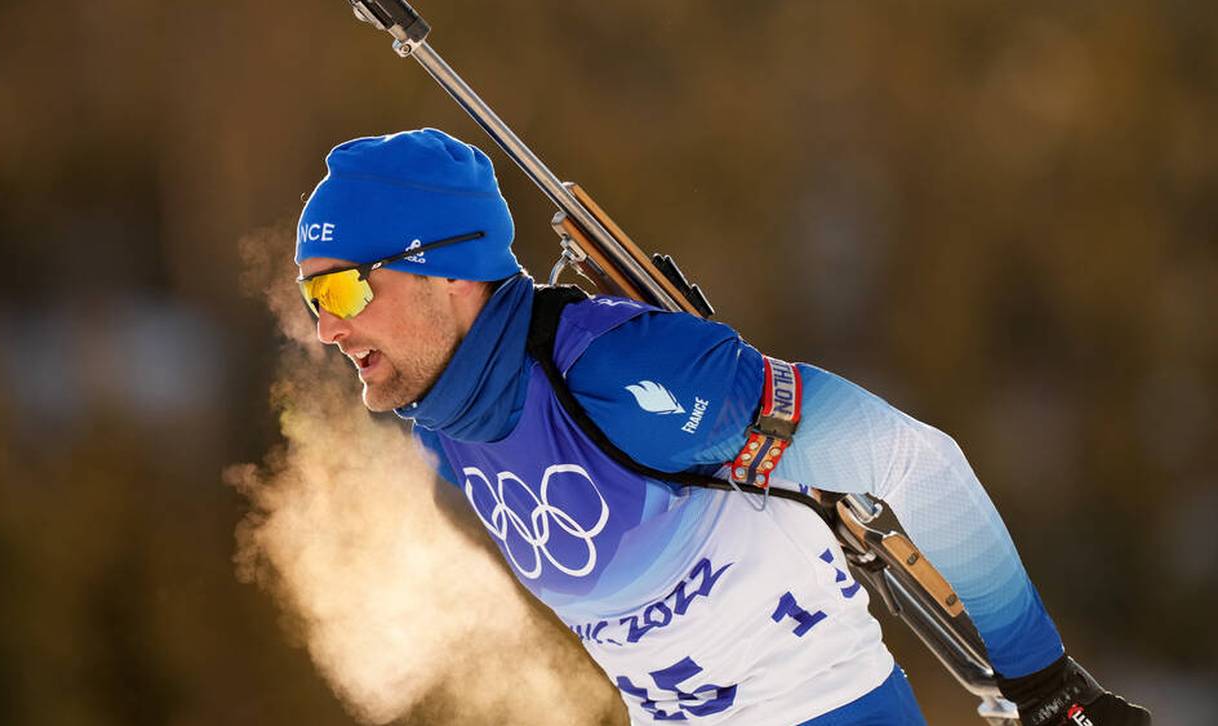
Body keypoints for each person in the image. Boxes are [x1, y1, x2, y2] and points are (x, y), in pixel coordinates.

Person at [292, 128, 1151, 725]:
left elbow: (911, 460)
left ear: (443, 268)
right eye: (310, 298)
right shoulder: (441, 420)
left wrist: (1043, 682)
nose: (327, 327)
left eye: (341, 291)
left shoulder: (626, 372)